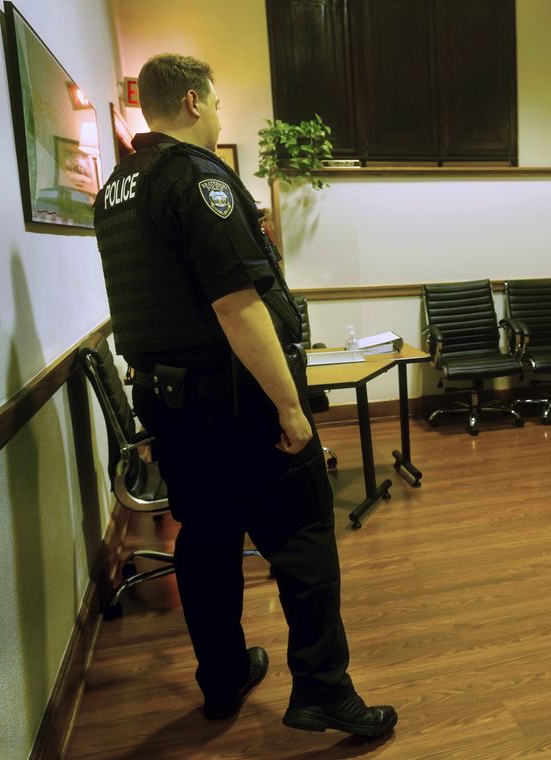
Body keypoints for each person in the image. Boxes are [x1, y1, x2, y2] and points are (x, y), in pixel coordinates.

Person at [92, 53, 396, 737]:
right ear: (195, 102)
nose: (222, 115)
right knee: (305, 539)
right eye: (220, 103)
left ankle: (223, 680)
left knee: (206, 542)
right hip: (236, 405)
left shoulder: (115, 189)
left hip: (173, 410)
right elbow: (237, 304)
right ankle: (323, 689)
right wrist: (291, 406)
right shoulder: (195, 179)